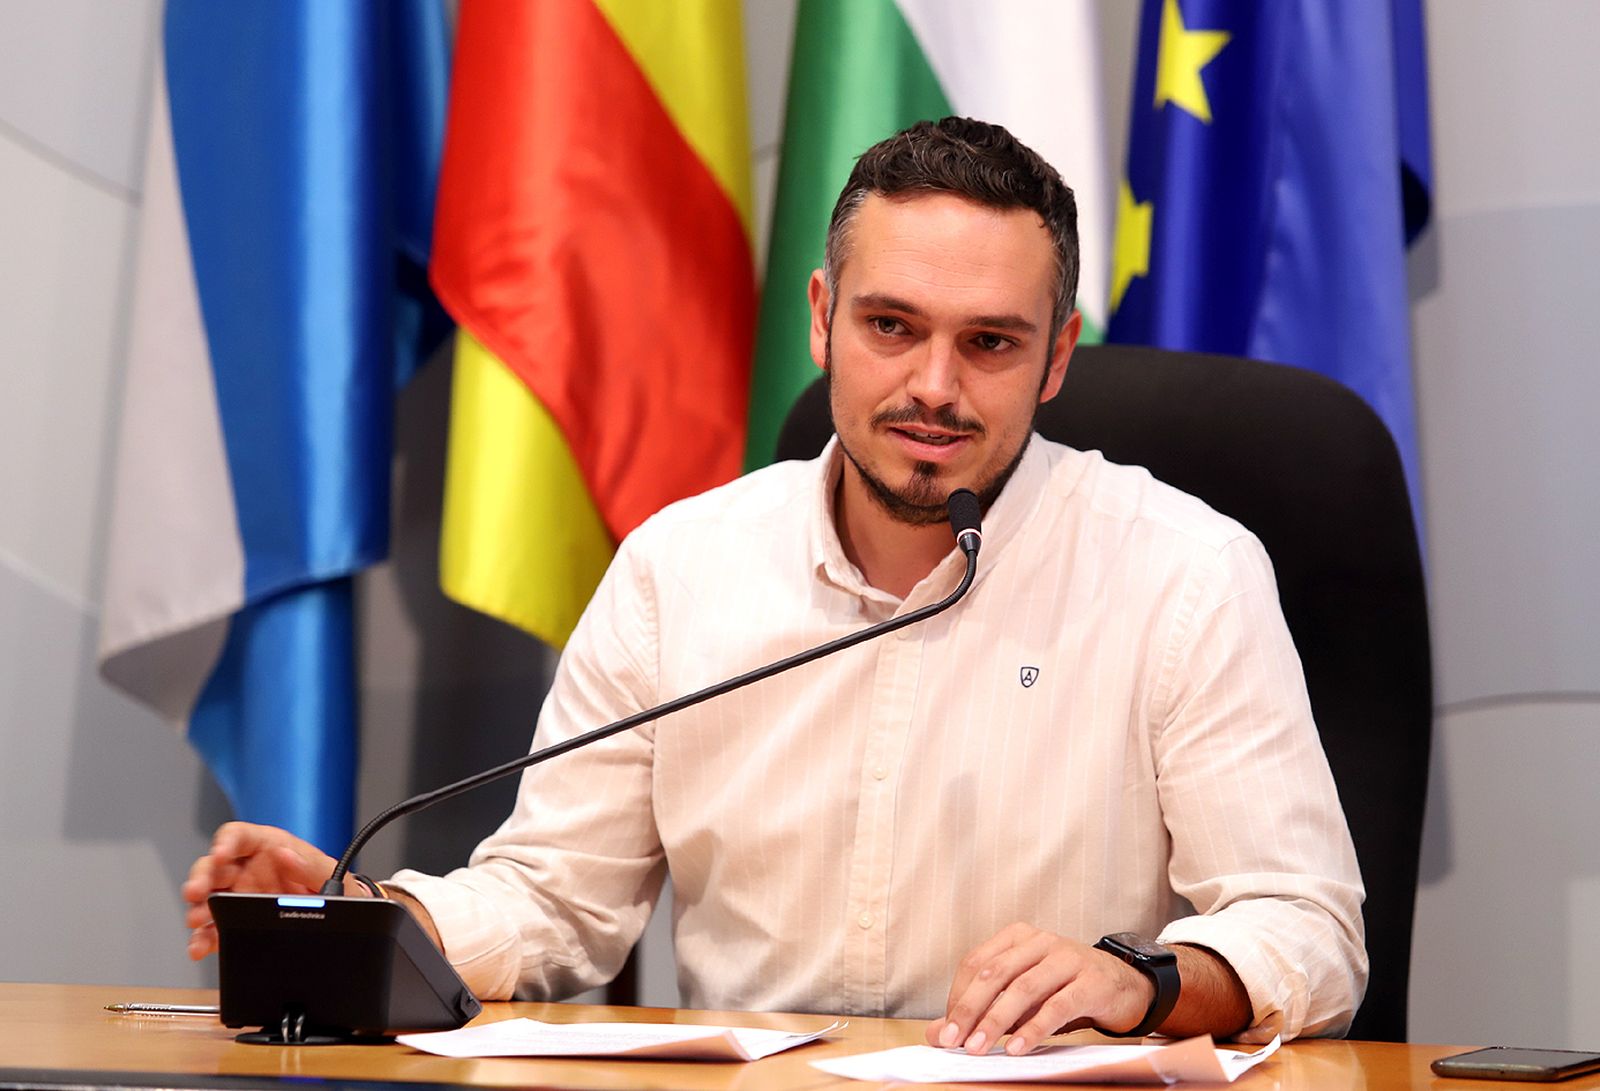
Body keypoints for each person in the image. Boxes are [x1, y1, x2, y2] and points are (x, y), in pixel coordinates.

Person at [183, 117, 1365, 1051]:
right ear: (821, 319)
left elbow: (1304, 929)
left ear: (1057, 355)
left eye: (990, 342)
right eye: (891, 325)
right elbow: (553, 899)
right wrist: (378, 917)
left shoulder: (1183, 574)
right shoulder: (679, 566)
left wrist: (1141, 980)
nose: (934, 386)